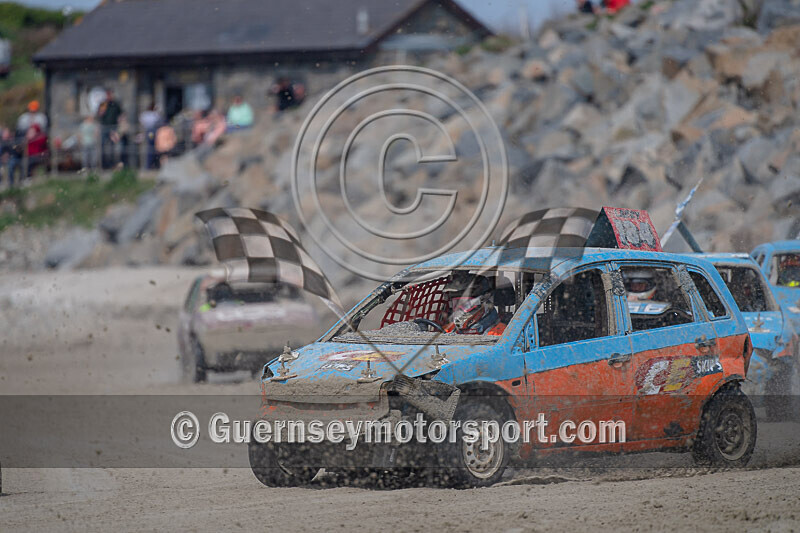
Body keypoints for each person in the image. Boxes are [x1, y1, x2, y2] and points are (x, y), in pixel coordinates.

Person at [97, 88, 122, 168]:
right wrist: (103, 110)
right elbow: (99, 115)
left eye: (110, 94)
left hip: (113, 128)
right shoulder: (103, 104)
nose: (109, 96)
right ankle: (104, 164)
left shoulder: (115, 104)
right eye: (108, 95)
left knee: (113, 147)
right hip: (104, 128)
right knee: (103, 146)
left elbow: (121, 115)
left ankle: (112, 164)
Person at [139, 102, 163, 169]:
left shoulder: (144, 114)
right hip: (151, 132)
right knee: (152, 147)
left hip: (148, 131)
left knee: (152, 148)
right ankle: (150, 165)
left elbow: (142, 121)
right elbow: (159, 120)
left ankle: (151, 164)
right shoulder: (154, 114)